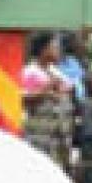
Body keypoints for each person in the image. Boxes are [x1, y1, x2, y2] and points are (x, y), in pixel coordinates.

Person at [20, 34, 75, 173]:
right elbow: (23, 99)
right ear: (43, 50)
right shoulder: (30, 72)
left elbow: (67, 89)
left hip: (58, 140)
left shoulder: (54, 71)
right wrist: (46, 90)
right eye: (54, 47)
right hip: (39, 137)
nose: (58, 50)